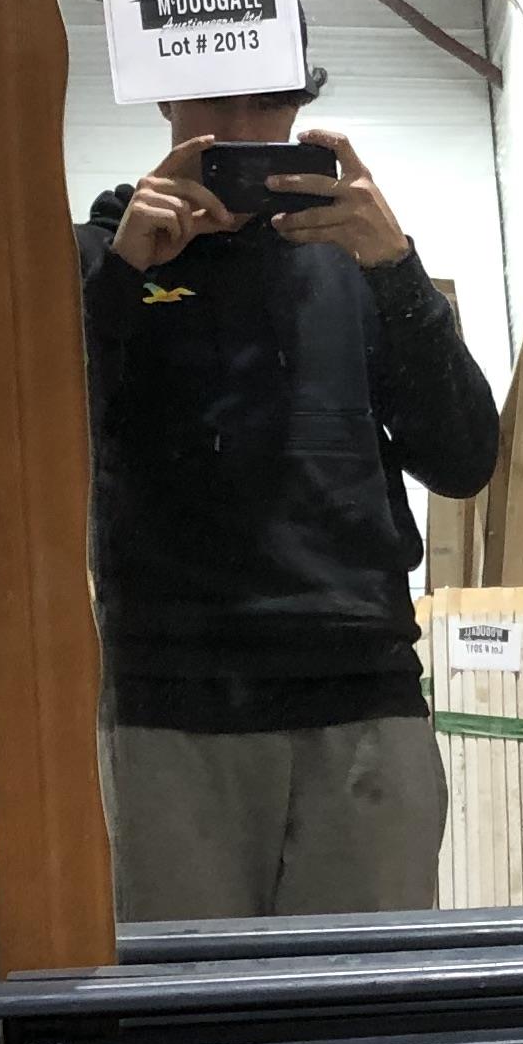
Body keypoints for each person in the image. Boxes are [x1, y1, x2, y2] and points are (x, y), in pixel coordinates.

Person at [79, 75, 500, 921]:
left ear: (303, 105)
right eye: (211, 99)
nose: (241, 126)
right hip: (171, 708)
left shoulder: (355, 255)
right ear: (165, 97)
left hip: (361, 696)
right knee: (185, 1000)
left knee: (365, 1000)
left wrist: (396, 270)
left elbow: (463, 459)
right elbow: (36, 458)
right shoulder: (104, 258)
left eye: (269, 101)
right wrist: (123, 277)